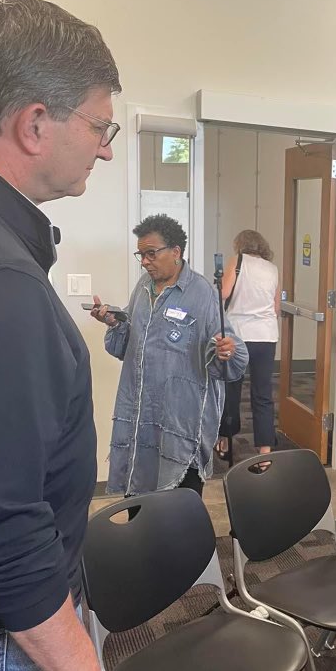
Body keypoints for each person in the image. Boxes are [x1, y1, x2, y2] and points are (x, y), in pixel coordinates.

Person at [0, 0, 126, 671]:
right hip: (2, 649)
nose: (105, 149)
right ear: (35, 122)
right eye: (99, 128)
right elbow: (0, 521)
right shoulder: (2, 284)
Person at [92, 213, 248, 497]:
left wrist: (227, 351)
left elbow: (230, 357)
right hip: (140, 416)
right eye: (141, 254)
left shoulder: (203, 294)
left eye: (151, 253)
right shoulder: (143, 288)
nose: (145, 261)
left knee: (176, 513)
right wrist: (115, 323)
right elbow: (131, 344)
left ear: (175, 252)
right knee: (138, 504)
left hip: (180, 423)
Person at [215, 228, 280, 469]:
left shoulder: (237, 261)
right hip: (266, 337)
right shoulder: (272, 268)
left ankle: (225, 442)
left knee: (231, 389)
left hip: (239, 336)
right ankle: (265, 452)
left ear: (240, 245)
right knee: (262, 395)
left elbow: (223, 292)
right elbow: (275, 307)